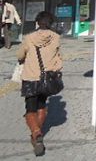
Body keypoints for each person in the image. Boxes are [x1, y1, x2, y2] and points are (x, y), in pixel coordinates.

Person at [16, 11, 62, 157]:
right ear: (50, 24)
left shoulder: (29, 38)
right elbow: (59, 58)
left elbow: (20, 55)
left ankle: (36, 133)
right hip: (46, 79)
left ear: (37, 22)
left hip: (30, 77)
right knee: (42, 105)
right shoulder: (56, 38)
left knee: (30, 108)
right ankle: (37, 136)